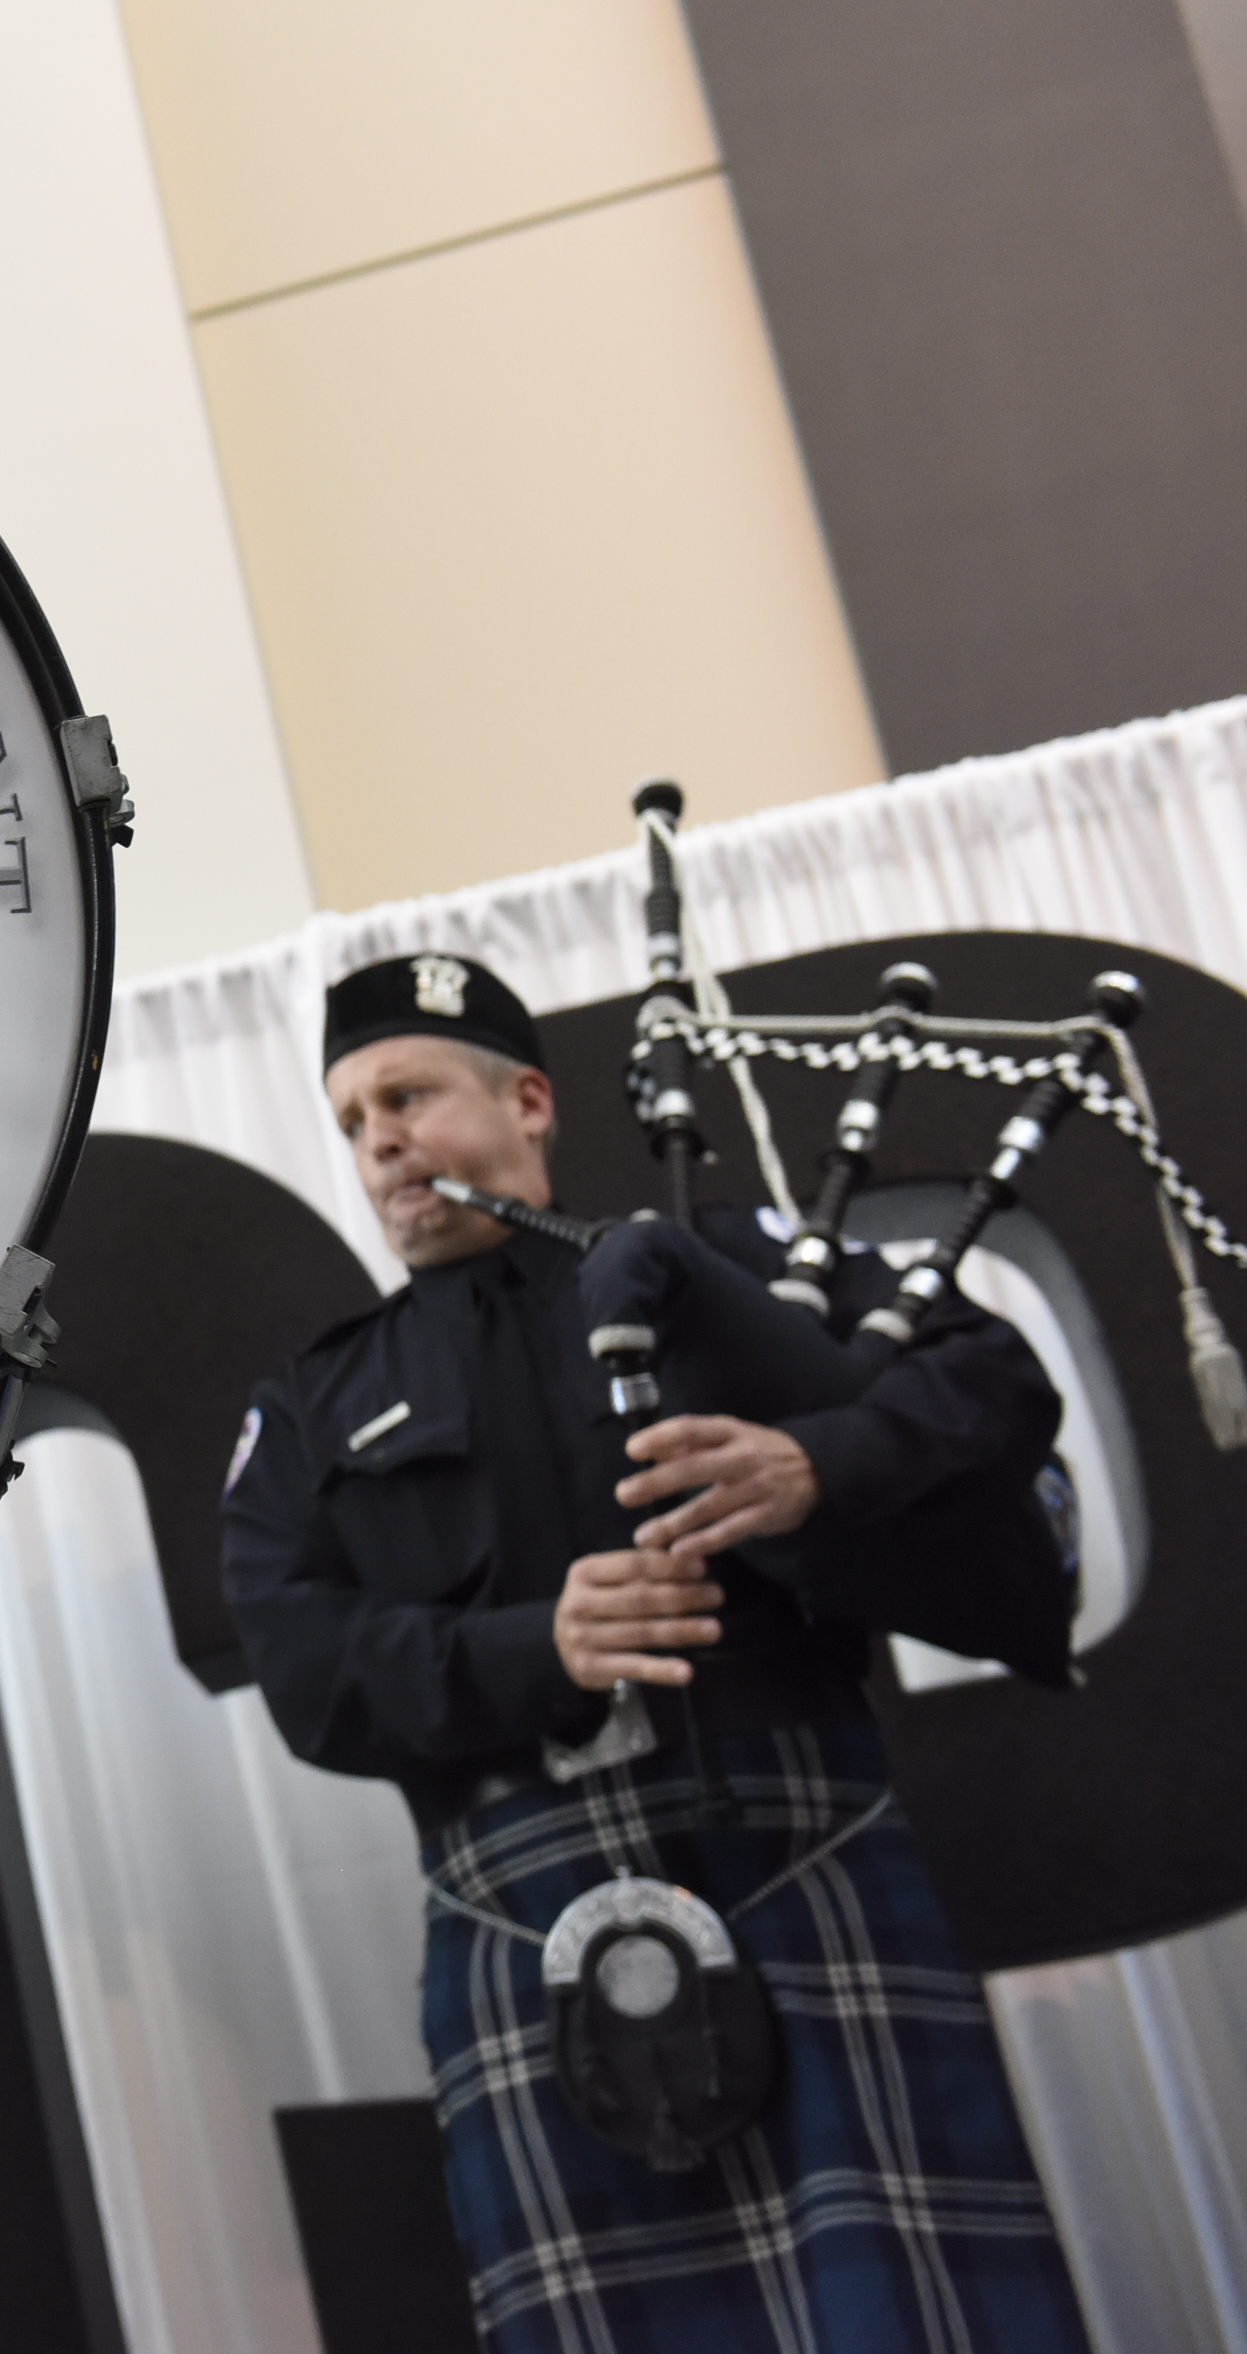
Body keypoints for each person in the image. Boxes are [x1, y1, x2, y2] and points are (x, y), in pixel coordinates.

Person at [217, 951, 1090, 2352]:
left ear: (529, 1100)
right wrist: (532, 1646)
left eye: (409, 1094)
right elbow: (306, 1668)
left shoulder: (728, 1265)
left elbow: (992, 1381)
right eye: (351, 1122)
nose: (380, 1141)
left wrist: (823, 1460)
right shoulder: (319, 1402)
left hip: (803, 1866)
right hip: (530, 1921)